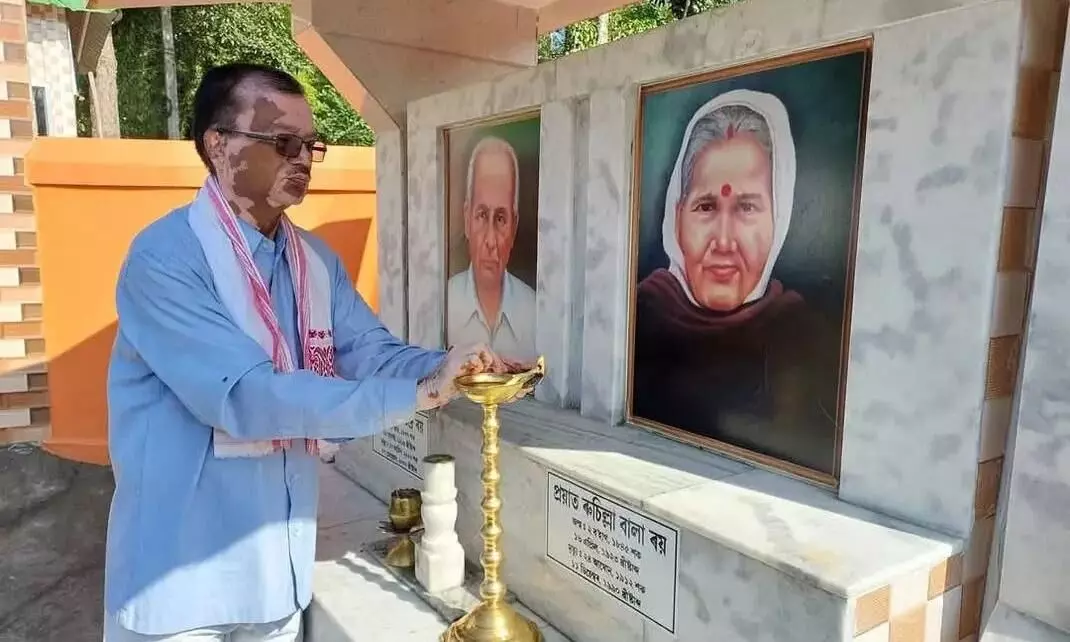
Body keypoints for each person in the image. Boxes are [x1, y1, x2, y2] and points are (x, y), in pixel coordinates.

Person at [103, 63, 511, 642]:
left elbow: (371, 352)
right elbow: (244, 396)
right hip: (181, 588)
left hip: (278, 581)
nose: (301, 158)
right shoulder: (166, 259)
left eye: (310, 146)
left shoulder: (313, 263)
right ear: (218, 146)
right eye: (282, 142)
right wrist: (417, 394)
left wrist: (447, 366)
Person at [632, 89, 838, 475]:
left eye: (746, 208)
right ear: (677, 218)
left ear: (779, 216)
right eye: (706, 207)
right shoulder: (641, 317)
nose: (724, 241)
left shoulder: (801, 335)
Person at [446, 136, 536, 361]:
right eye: (482, 215)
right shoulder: (442, 303)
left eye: (501, 219)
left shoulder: (536, 311)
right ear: (467, 219)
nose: (490, 240)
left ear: (514, 227)